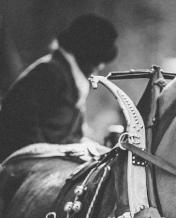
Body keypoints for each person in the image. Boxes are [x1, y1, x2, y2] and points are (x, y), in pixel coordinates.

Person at [0, 14, 118, 161]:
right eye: (97, 63)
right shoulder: (49, 72)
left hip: (59, 154)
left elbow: (71, 131)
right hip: (29, 160)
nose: (98, 69)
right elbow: (19, 120)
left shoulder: (69, 74)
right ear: (85, 54)